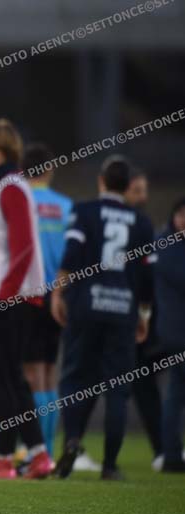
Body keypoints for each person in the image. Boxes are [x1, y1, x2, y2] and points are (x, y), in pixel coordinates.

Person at [51, 155, 155, 481]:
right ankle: (110, 465)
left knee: (75, 378)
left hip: (85, 306)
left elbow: (71, 254)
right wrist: (143, 313)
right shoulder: (141, 222)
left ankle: (72, 441)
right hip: (123, 310)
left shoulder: (84, 212)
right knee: (118, 389)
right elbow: (147, 276)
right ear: (127, 186)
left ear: (101, 181)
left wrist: (57, 293)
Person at [0, 119, 52, 479]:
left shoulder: (10, 188)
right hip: (15, 295)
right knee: (9, 376)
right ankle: (34, 454)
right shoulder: (9, 187)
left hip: (11, 297)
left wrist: (3, 297)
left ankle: (8, 457)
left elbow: (22, 249)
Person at [18, 143, 73, 460]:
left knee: (31, 373)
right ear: (50, 169)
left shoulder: (19, 201)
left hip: (29, 295)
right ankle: (48, 449)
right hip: (58, 295)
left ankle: (34, 452)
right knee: (50, 372)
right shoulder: (66, 206)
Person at [123, 168, 166, 470]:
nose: (143, 197)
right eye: (137, 190)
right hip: (128, 319)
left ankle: (164, 448)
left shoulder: (147, 230)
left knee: (143, 384)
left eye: (145, 190)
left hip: (146, 322)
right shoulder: (141, 228)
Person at [157, 197, 185, 473]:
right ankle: (172, 454)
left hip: (171, 330)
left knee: (175, 393)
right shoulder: (169, 246)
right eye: (181, 214)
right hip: (177, 331)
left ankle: (172, 454)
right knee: (175, 394)